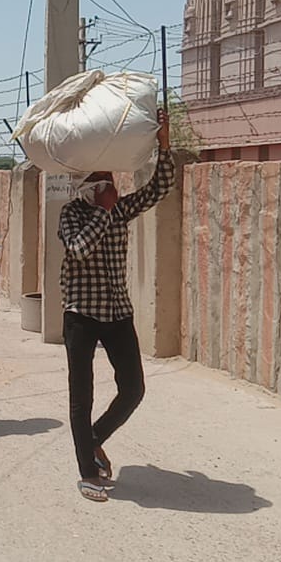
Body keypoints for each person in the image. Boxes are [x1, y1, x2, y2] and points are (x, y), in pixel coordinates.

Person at [59, 109, 174, 502]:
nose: (109, 185)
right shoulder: (72, 214)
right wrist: (104, 212)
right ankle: (87, 472)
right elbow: (78, 249)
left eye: (110, 179)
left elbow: (159, 188)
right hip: (81, 314)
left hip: (117, 312)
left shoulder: (121, 209)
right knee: (82, 395)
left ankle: (92, 439)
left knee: (134, 389)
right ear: (87, 186)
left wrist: (164, 144)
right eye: (101, 181)